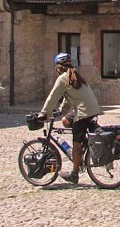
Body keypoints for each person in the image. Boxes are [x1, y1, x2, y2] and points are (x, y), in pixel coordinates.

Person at [37, 53, 102, 184]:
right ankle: (84, 144)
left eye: (56, 67)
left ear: (58, 67)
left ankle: (74, 174)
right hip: (92, 108)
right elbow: (69, 97)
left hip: (83, 112)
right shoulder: (75, 75)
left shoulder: (63, 78)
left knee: (76, 143)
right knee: (65, 121)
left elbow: (53, 97)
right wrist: (61, 111)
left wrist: (43, 114)